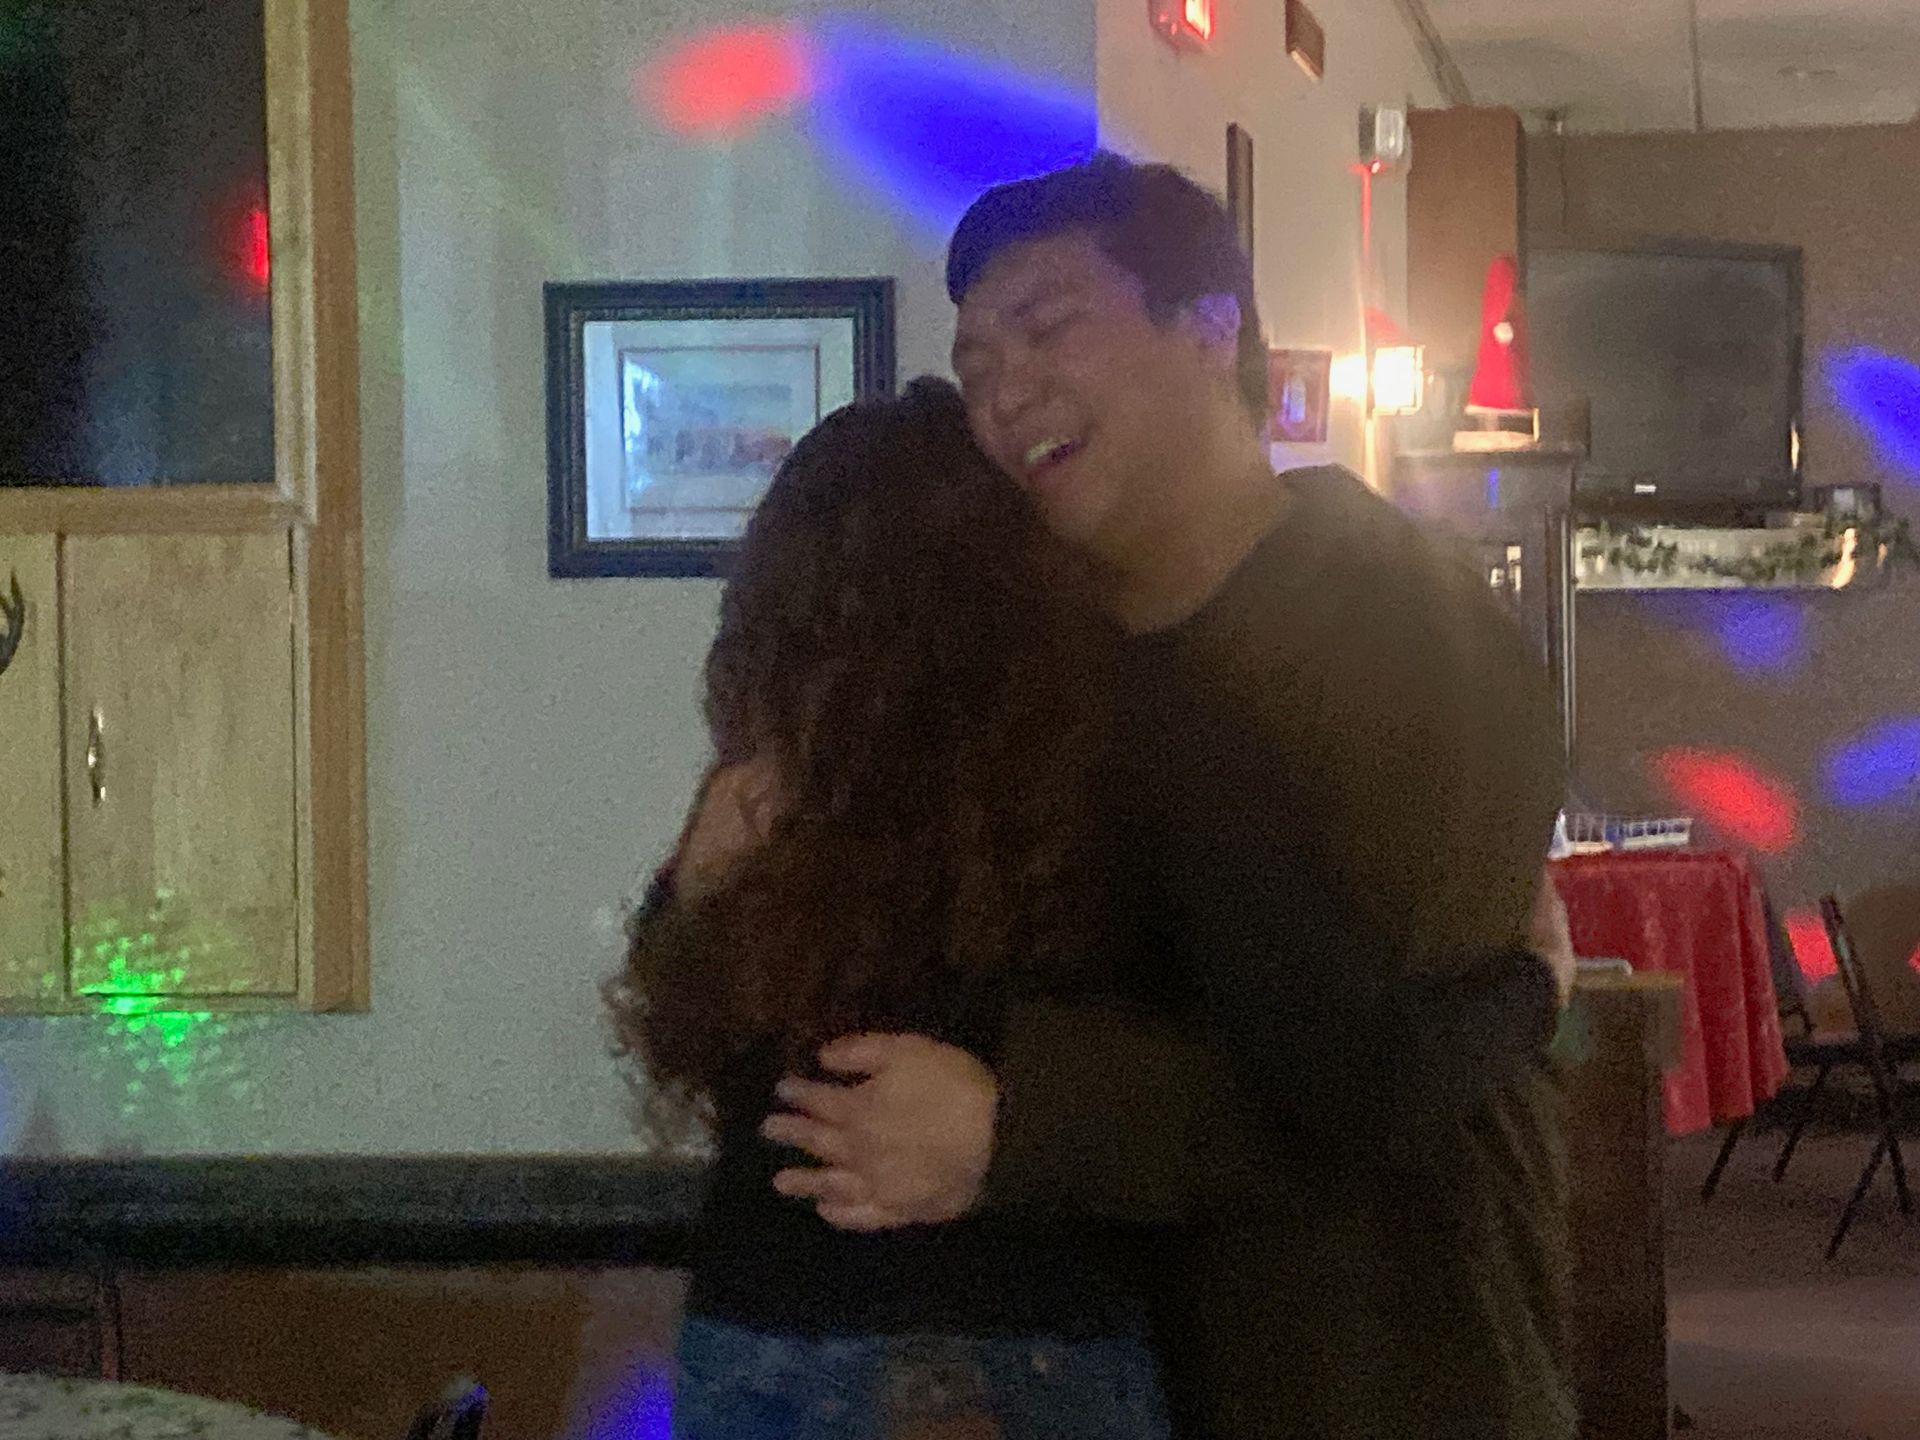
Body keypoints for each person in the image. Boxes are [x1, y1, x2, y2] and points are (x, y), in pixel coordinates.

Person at [761, 153, 1579, 1440]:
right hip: (1060, 1368)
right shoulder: (1037, 650)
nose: (1003, 393)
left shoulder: (1399, 630)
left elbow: (1361, 1089)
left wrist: (1015, 1128)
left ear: (1210, 330)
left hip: (1371, 1358)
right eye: (976, 364)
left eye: (1048, 327)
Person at [607, 377, 1173, 1440]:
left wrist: (682, 901)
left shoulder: (763, 796)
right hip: (1035, 1318)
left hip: (776, 1315)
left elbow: (678, 1039)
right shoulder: (1095, 780)